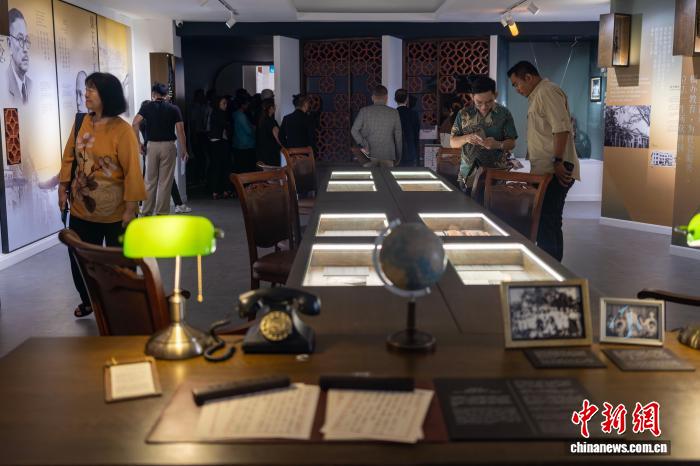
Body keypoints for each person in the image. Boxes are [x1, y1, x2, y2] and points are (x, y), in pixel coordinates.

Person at [58, 72, 146, 318]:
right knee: (80, 259)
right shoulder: (81, 122)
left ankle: (123, 304)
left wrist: (131, 208)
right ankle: (89, 301)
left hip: (116, 212)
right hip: (81, 208)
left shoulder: (123, 130)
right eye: (86, 88)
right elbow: (69, 157)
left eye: (92, 89)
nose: (86, 93)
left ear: (107, 95)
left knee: (121, 263)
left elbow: (132, 171)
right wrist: (63, 187)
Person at [508, 60, 581, 262]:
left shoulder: (547, 92)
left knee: (547, 221)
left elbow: (561, 129)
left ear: (528, 77)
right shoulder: (537, 95)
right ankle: (552, 265)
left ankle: (551, 266)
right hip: (546, 169)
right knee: (547, 220)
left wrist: (557, 161)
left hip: (554, 169)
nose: (517, 89)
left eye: (516, 84)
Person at [450, 75, 517, 192]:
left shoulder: (504, 114)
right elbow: (452, 142)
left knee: (495, 204)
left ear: (495, 95)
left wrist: (497, 144)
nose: (484, 107)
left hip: (496, 175)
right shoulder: (463, 114)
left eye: (489, 101)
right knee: (465, 203)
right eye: (479, 102)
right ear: (472, 97)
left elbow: (512, 143)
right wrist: (466, 138)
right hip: (468, 174)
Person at [132, 83, 188, 216]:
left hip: (152, 146)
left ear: (153, 94)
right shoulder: (174, 109)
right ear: (166, 95)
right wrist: (184, 149)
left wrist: (138, 143)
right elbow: (180, 130)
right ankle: (162, 212)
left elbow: (134, 123)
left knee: (149, 181)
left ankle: (146, 211)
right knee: (165, 181)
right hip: (168, 147)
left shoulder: (146, 107)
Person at [351, 85, 402, 167]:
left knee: (370, 175)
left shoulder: (364, 111)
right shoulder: (394, 113)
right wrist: (398, 156)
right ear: (386, 98)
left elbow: (354, 130)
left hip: (368, 155)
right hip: (388, 155)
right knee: (387, 176)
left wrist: (363, 143)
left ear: (373, 97)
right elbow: (398, 137)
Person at [208, 96, 233, 199]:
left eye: (226, 103)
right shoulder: (220, 114)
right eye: (223, 103)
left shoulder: (214, 113)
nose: (225, 105)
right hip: (220, 142)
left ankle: (215, 191)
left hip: (214, 142)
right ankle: (225, 190)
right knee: (224, 166)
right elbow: (225, 126)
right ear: (218, 104)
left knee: (216, 166)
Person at [8, 8, 32, 105]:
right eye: (20, 39)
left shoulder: (31, 85)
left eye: (26, 40)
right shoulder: (4, 85)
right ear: (9, 44)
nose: (25, 49)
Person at [394, 88, 420, 167]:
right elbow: (416, 134)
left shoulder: (391, 114)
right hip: (410, 150)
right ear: (407, 99)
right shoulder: (413, 114)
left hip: (395, 151)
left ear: (395, 99)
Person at [232, 94, 257, 172]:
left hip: (238, 144)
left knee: (240, 167)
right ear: (243, 105)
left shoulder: (236, 114)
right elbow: (248, 131)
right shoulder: (241, 115)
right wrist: (254, 129)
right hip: (245, 145)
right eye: (247, 103)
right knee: (246, 168)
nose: (248, 105)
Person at [256, 98, 282, 166]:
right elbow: (278, 138)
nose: (275, 108)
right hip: (271, 153)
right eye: (274, 106)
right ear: (271, 108)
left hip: (262, 152)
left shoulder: (261, 120)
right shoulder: (271, 122)